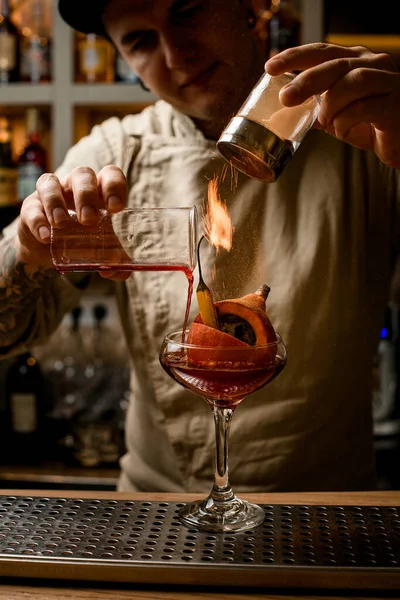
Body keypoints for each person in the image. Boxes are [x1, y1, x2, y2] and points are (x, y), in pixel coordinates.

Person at [0, 0, 399, 493]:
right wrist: (27, 251)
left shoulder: (370, 136)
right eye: (141, 42)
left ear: (252, 7)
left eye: (187, 10)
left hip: (325, 510)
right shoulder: (113, 155)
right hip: (158, 512)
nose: (176, 54)